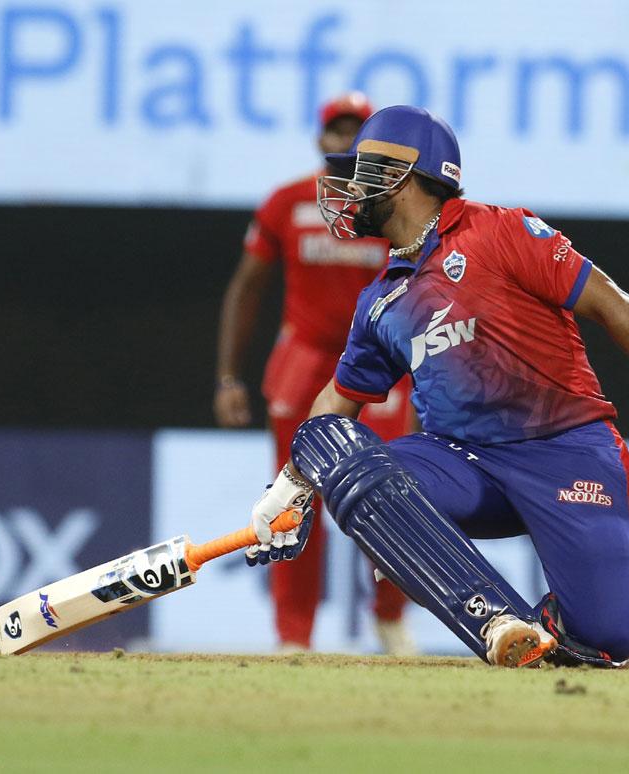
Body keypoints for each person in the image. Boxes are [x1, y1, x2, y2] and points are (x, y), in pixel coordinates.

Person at [243, 105, 629, 667]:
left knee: (609, 640)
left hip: (567, 452)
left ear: (406, 175)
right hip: (463, 463)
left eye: (364, 169)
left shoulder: (501, 231)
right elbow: (338, 404)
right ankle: (497, 621)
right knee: (351, 470)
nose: (350, 187)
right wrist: (293, 482)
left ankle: (578, 617)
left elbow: (609, 301)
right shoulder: (380, 299)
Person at [215, 92, 416, 654]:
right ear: (320, 139)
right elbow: (245, 287)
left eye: (359, 132)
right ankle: (293, 636)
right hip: (303, 364)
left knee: (391, 497)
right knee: (292, 501)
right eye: (338, 130)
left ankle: (390, 618)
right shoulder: (286, 202)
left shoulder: (393, 209)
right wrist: (228, 376)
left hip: (377, 362)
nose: (346, 142)